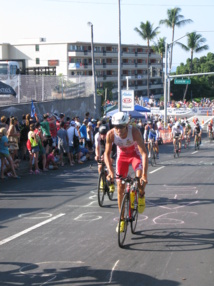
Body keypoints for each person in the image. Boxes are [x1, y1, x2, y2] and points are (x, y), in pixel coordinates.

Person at [104, 112, 148, 233]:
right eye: (116, 126)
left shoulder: (134, 132)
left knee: (139, 180)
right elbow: (106, 154)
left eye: (121, 127)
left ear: (127, 125)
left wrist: (144, 174)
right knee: (120, 187)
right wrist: (110, 171)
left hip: (135, 155)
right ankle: (122, 220)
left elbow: (144, 153)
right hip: (122, 156)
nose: (118, 130)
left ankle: (141, 194)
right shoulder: (110, 134)